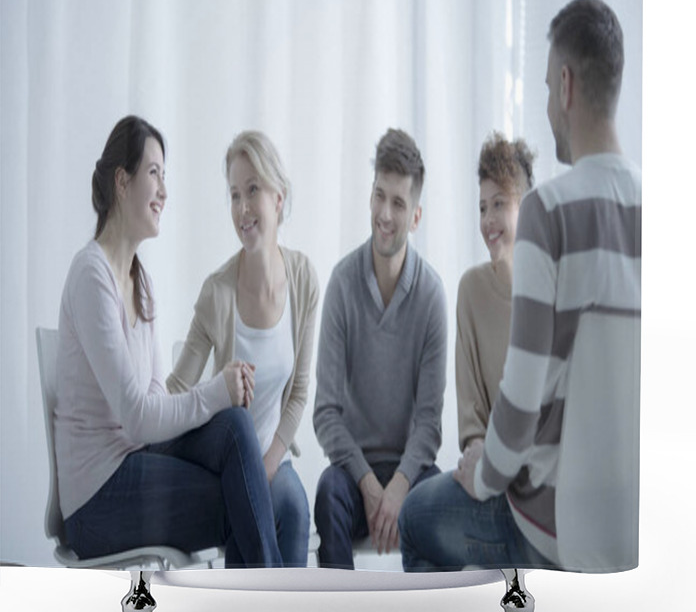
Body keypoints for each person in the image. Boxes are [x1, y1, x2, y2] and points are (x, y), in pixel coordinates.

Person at [400, 0, 642, 572]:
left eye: (543, 86)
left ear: (564, 85)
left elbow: (522, 399)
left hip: (556, 528)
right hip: (633, 533)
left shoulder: (550, 212)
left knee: (414, 520)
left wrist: (481, 473)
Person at [54, 116, 281, 567]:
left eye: (165, 176)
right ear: (122, 181)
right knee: (240, 499)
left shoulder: (141, 282)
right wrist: (215, 389)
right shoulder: (90, 275)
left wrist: (220, 401)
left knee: (235, 426)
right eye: (154, 173)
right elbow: (138, 418)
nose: (163, 191)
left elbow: (156, 400)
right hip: (97, 500)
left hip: (133, 461)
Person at [167, 130, 318, 567]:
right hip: (226, 463)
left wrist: (268, 464)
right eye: (235, 195)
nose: (243, 208)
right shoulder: (217, 292)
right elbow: (178, 388)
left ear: (279, 198)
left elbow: (299, 393)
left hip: (274, 456)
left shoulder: (304, 278)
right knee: (244, 509)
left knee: (291, 506)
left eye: (254, 190)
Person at [313, 128, 447, 569]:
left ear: (416, 215)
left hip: (411, 471)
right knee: (328, 494)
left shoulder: (431, 295)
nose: (385, 214)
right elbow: (326, 412)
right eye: (379, 196)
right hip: (355, 475)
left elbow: (429, 423)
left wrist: (399, 486)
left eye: (398, 203)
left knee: (441, 503)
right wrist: (370, 485)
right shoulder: (342, 284)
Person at [456, 132, 534, 454]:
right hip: (488, 468)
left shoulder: (554, 289)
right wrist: (479, 459)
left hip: (540, 474)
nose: (488, 220)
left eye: (499, 204)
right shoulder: (471, 290)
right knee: (419, 505)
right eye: (482, 207)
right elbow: (471, 419)